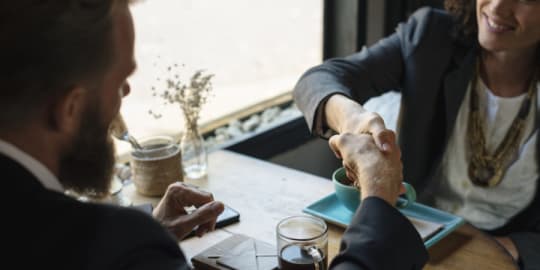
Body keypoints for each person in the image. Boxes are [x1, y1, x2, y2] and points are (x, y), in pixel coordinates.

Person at [2, 1, 427, 269]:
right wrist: (377, 196)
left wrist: (153, 239)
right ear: (70, 108)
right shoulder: (112, 245)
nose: (123, 100)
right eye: (120, 83)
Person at [294, 0, 540, 268]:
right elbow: (316, 81)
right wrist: (353, 119)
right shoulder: (432, 35)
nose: (498, 6)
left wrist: (506, 249)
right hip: (413, 241)